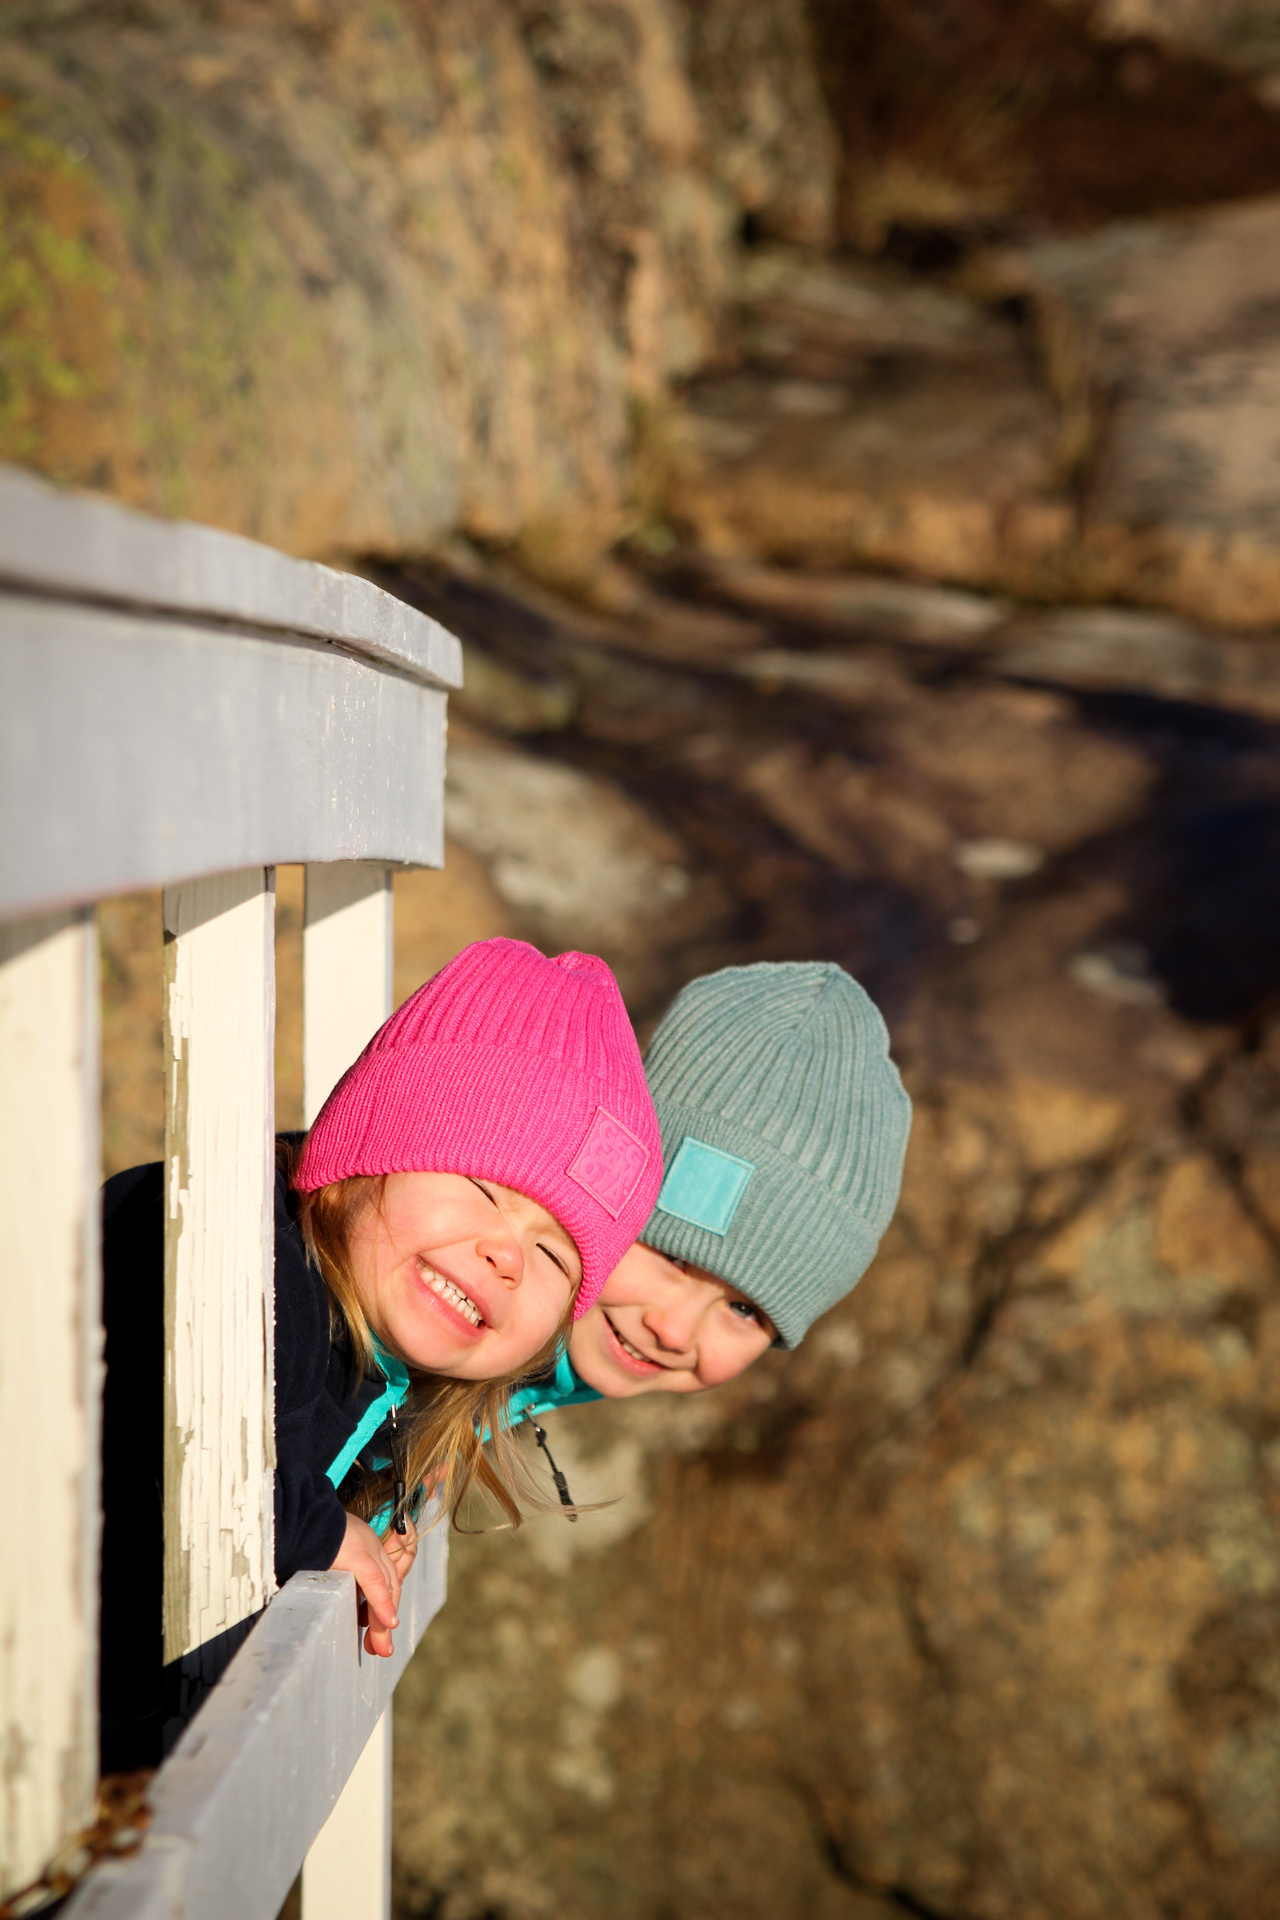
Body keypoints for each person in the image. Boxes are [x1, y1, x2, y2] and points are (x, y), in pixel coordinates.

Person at [99, 937, 661, 1768]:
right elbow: (216, 1430)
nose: (507, 1253)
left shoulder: (385, 1374)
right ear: (362, 1157)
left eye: (554, 1256)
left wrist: (368, 1510)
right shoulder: (239, 1250)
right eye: (480, 1187)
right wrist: (322, 1528)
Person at [507, 961, 911, 1440]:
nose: (672, 1330)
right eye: (673, 1257)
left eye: (745, 1310)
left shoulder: (511, 1373)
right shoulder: (424, 1340)